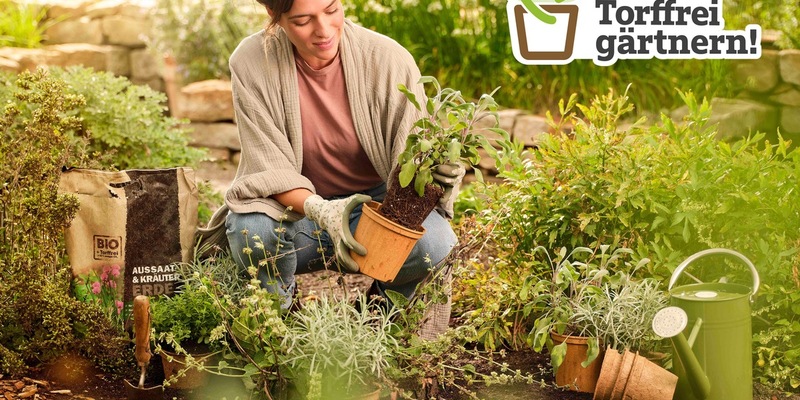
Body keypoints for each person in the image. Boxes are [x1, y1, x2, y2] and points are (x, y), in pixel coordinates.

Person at [221, 0, 462, 309]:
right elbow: (269, 166)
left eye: (332, 9)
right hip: (300, 216)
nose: (323, 31)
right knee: (251, 230)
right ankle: (274, 322)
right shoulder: (253, 61)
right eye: (303, 20)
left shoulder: (388, 60)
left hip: (375, 210)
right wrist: (322, 211)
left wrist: (438, 171)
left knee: (434, 245)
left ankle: (378, 311)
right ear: (274, 15)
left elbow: (412, 158)